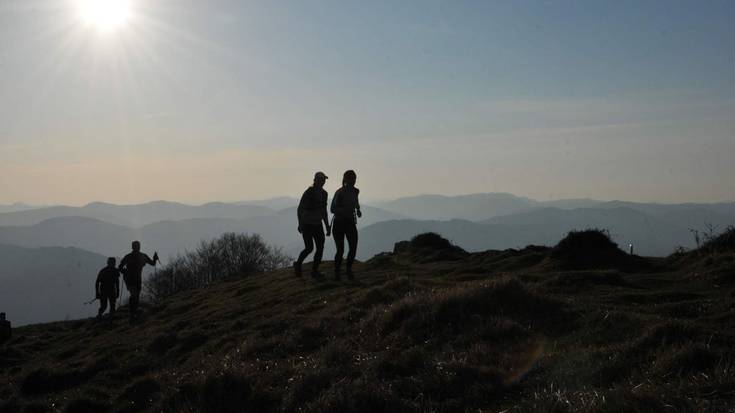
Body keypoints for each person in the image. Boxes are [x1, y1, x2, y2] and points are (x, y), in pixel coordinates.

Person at [295, 171, 331, 279]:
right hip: (307, 224)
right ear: (316, 180)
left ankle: (314, 271)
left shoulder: (324, 194)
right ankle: (299, 265)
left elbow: (324, 211)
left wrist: (327, 226)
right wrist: (300, 223)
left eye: (324, 180)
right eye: (322, 180)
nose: (323, 182)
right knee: (310, 248)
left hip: (316, 224)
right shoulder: (309, 192)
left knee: (319, 247)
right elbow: (300, 209)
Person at [331, 170, 361, 280]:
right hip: (340, 223)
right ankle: (339, 272)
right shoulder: (340, 192)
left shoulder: (355, 191)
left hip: (348, 222)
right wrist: (345, 210)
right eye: (352, 179)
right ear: (346, 180)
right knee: (341, 249)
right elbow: (332, 209)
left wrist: (358, 210)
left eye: (354, 179)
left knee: (352, 247)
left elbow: (356, 202)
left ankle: (347, 270)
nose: (354, 181)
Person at [119, 241, 158, 320]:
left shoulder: (130, 256)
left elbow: (120, 267)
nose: (137, 247)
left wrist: (155, 259)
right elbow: (120, 267)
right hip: (130, 279)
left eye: (137, 246)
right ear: (133, 247)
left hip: (136, 279)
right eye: (136, 246)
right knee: (134, 294)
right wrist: (155, 259)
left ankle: (133, 312)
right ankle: (132, 313)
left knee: (136, 295)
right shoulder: (140, 256)